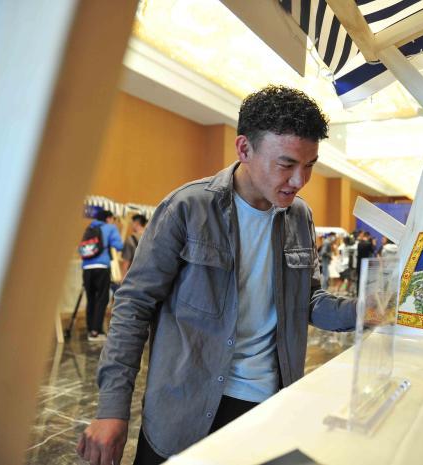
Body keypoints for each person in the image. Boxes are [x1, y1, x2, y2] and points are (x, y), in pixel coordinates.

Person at [77, 85, 357, 465]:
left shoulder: (299, 216)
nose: (299, 180)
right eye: (287, 164)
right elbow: (134, 305)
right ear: (244, 149)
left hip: (269, 404)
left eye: (309, 165)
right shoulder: (188, 208)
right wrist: (112, 407)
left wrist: (364, 310)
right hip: (186, 407)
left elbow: (305, 299)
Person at [81, 209, 123, 342]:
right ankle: (96, 332)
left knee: (91, 298)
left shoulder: (89, 228)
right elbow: (119, 245)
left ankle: (90, 330)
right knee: (102, 299)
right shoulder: (110, 228)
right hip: (102, 267)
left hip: (86, 268)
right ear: (108, 218)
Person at [119, 213, 148, 278]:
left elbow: (126, 261)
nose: (131, 225)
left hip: (134, 276)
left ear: (136, 223)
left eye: (132, 223)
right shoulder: (152, 239)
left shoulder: (130, 240)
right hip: (148, 276)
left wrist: (123, 277)